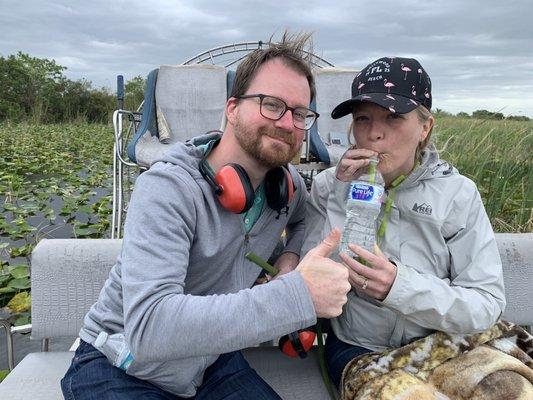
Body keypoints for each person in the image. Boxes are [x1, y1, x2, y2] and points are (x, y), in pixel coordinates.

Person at [61, 33, 351, 400]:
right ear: (232, 108)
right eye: (271, 104)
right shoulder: (167, 188)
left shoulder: (287, 185)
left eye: (299, 113)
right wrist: (297, 296)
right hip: (121, 366)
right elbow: (150, 328)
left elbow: (304, 219)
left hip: (210, 363)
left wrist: (291, 258)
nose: (286, 123)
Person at [301, 56, 506, 389]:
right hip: (357, 346)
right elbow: (311, 276)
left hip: (441, 345)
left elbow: (485, 305)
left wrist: (399, 287)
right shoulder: (329, 185)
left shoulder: (457, 195)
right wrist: (344, 193)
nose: (373, 134)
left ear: (425, 128)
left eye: (393, 117)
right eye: (363, 118)